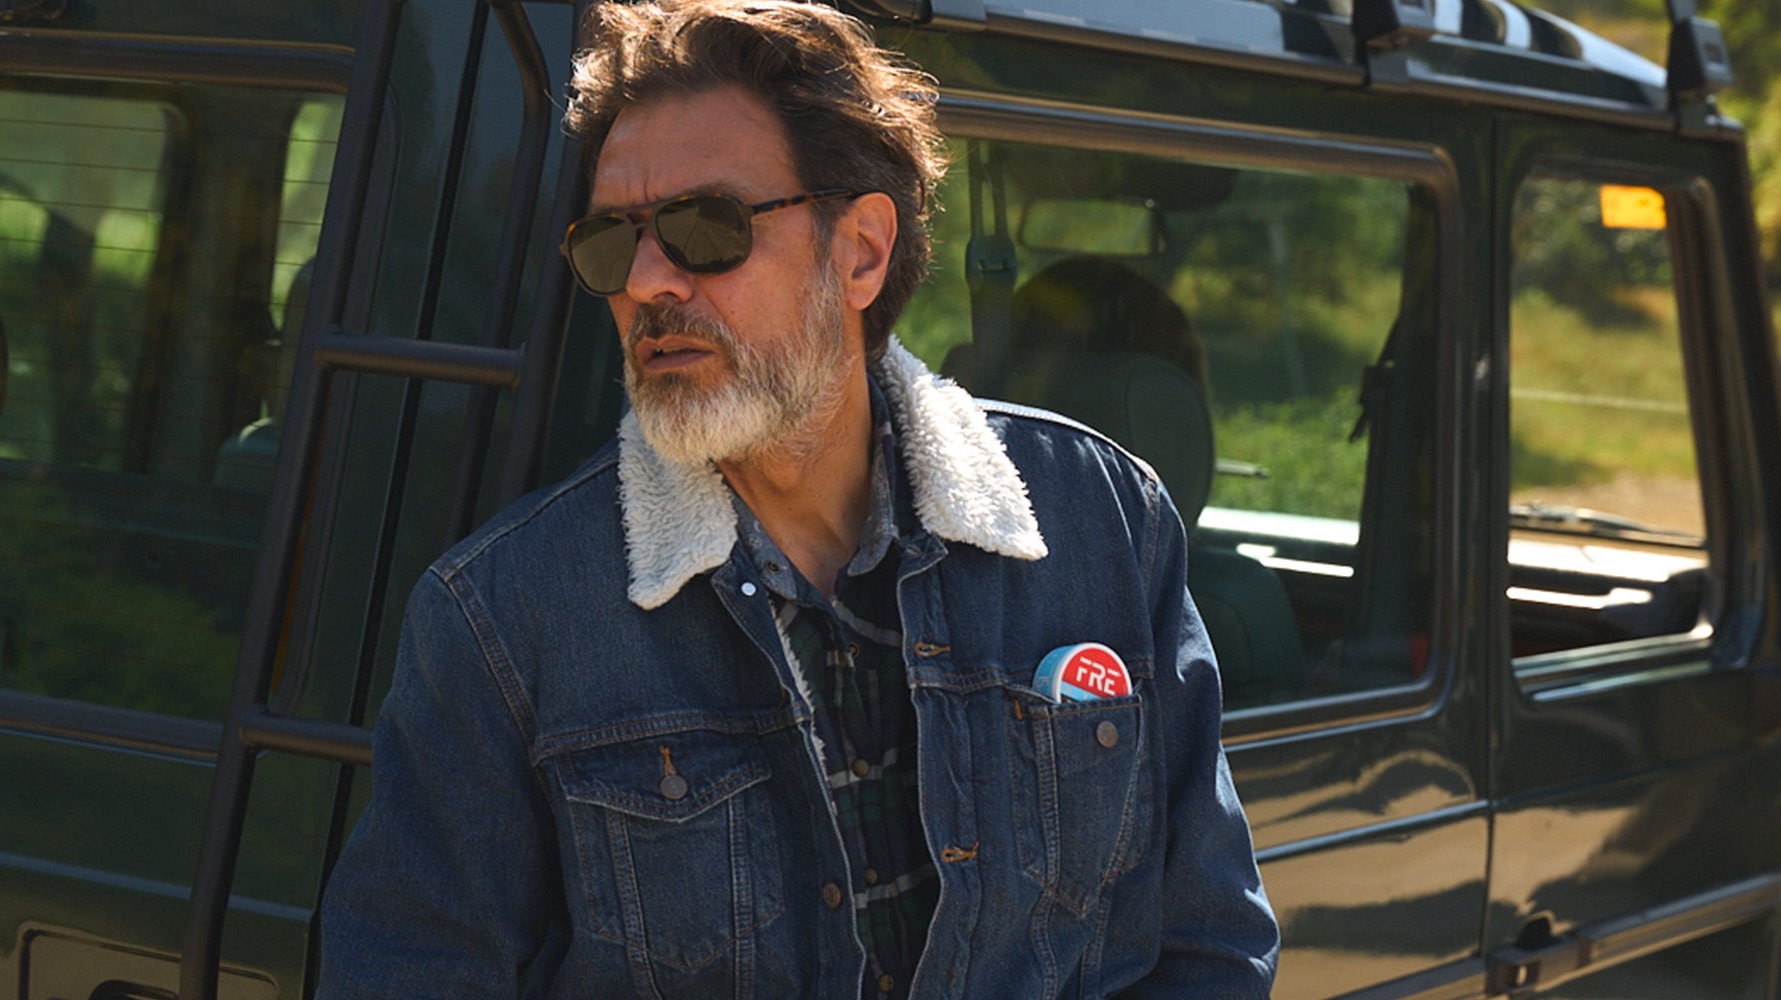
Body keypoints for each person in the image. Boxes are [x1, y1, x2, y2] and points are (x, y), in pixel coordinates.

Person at [317, 0, 1277, 994]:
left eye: (703, 226)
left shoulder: (1100, 522)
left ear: (859, 252)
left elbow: (1209, 946)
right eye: (612, 243)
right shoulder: (502, 617)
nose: (647, 281)